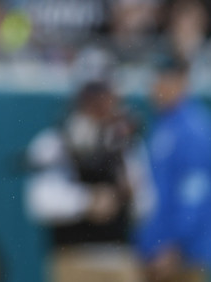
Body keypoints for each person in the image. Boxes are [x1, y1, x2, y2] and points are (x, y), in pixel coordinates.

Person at [24, 66, 150, 282]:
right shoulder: (57, 142)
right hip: (73, 258)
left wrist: (126, 194)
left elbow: (146, 204)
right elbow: (39, 200)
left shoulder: (126, 145)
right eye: (94, 100)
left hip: (118, 258)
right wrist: (87, 201)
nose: (101, 108)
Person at [136, 51, 211, 282]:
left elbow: (196, 193)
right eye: (155, 80)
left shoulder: (193, 128)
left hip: (180, 256)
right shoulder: (163, 124)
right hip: (156, 251)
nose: (157, 88)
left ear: (182, 82)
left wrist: (177, 247)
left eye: (164, 80)